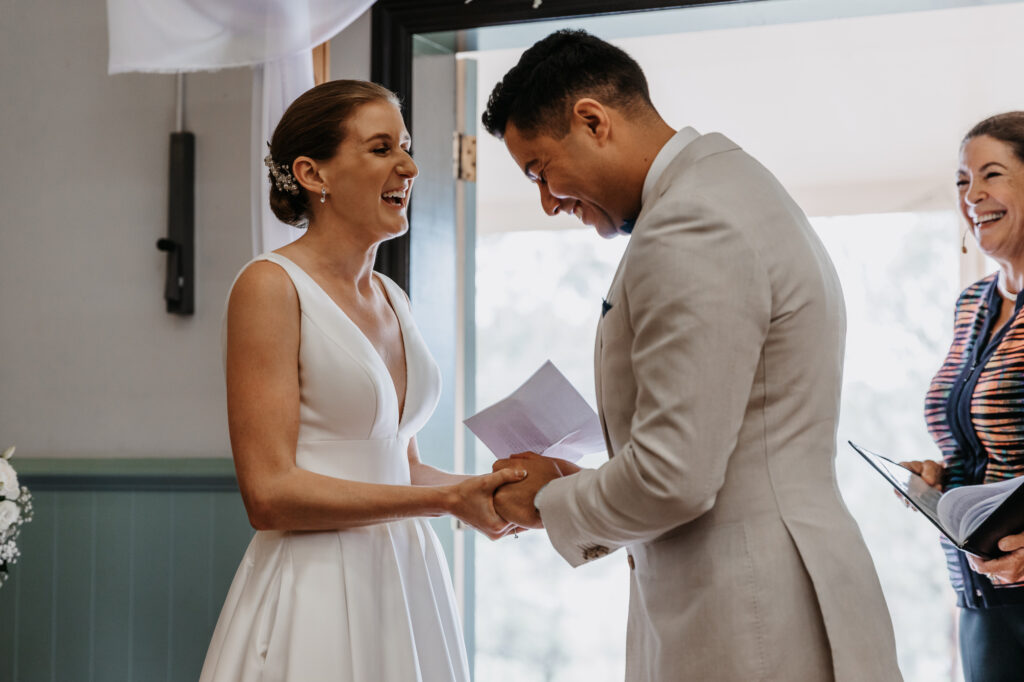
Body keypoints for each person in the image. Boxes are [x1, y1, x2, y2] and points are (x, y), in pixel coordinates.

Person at [483, 29, 902, 681]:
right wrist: (575, 482)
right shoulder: (729, 185)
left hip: (752, 617)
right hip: (769, 590)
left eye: (541, 171)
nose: (546, 202)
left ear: (592, 120)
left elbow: (673, 475)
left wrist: (547, 502)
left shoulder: (690, 224)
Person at [199, 80, 525, 682]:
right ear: (312, 173)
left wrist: (482, 489)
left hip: (404, 577)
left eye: (405, 146)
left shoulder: (391, 296)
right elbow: (268, 496)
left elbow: (399, 465)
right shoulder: (270, 287)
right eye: (381, 149)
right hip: (314, 585)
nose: (409, 166)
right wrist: (441, 501)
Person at [902, 111, 1024, 682]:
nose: (972, 195)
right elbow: (980, 438)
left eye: (991, 175)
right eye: (961, 181)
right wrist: (940, 477)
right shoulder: (972, 302)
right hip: (979, 600)